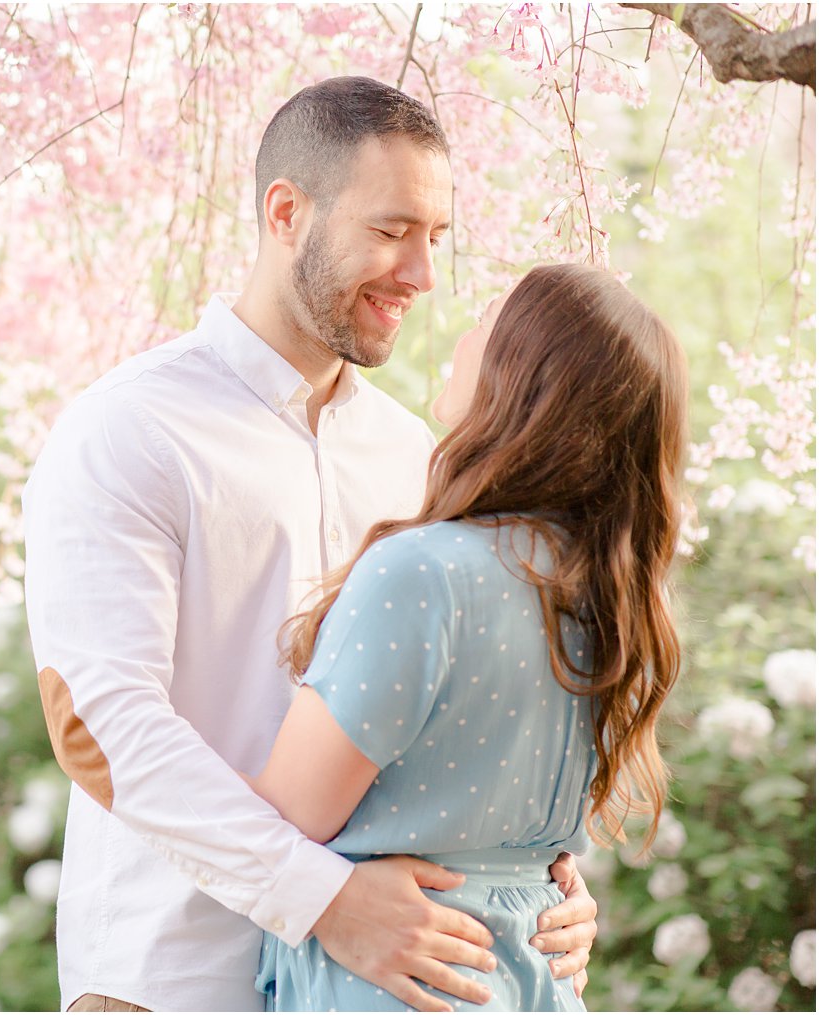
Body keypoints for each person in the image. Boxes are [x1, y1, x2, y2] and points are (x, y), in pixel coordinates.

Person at [22, 77, 598, 1014]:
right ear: (287, 212)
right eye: (390, 230)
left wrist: (547, 875)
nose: (421, 273)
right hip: (173, 978)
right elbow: (96, 726)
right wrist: (322, 899)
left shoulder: (419, 452)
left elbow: (473, 705)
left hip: (379, 988)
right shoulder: (129, 429)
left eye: (436, 238)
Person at [247, 262, 687, 1010]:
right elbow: (533, 850)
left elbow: (283, 821)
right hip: (535, 978)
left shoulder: (421, 575)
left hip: (404, 983)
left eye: (487, 320)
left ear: (522, 374)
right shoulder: (615, 597)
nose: (461, 335)